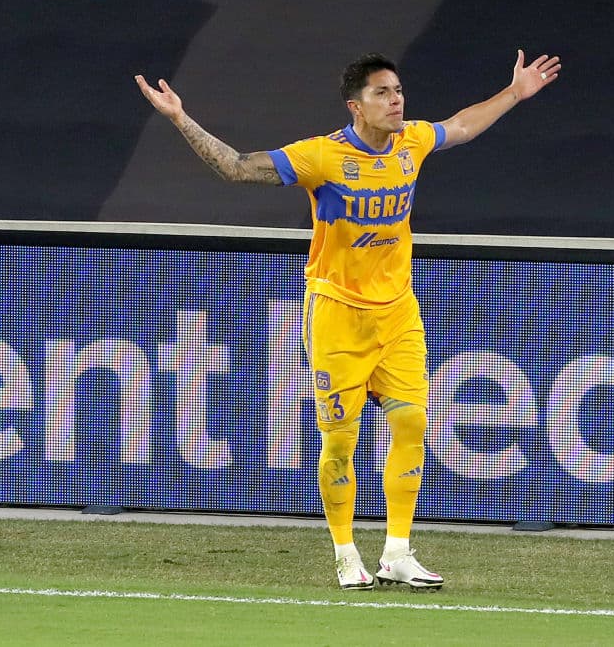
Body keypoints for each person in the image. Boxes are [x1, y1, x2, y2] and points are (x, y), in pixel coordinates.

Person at [134, 49, 561, 590]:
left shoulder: (411, 143)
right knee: (341, 442)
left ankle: (398, 553)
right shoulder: (323, 157)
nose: (396, 100)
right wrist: (179, 117)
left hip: (397, 312)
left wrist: (515, 92)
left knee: (412, 423)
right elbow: (237, 167)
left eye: (398, 90)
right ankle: (345, 554)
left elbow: (461, 125)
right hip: (337, 314)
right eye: (382, 93)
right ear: (355, 107)